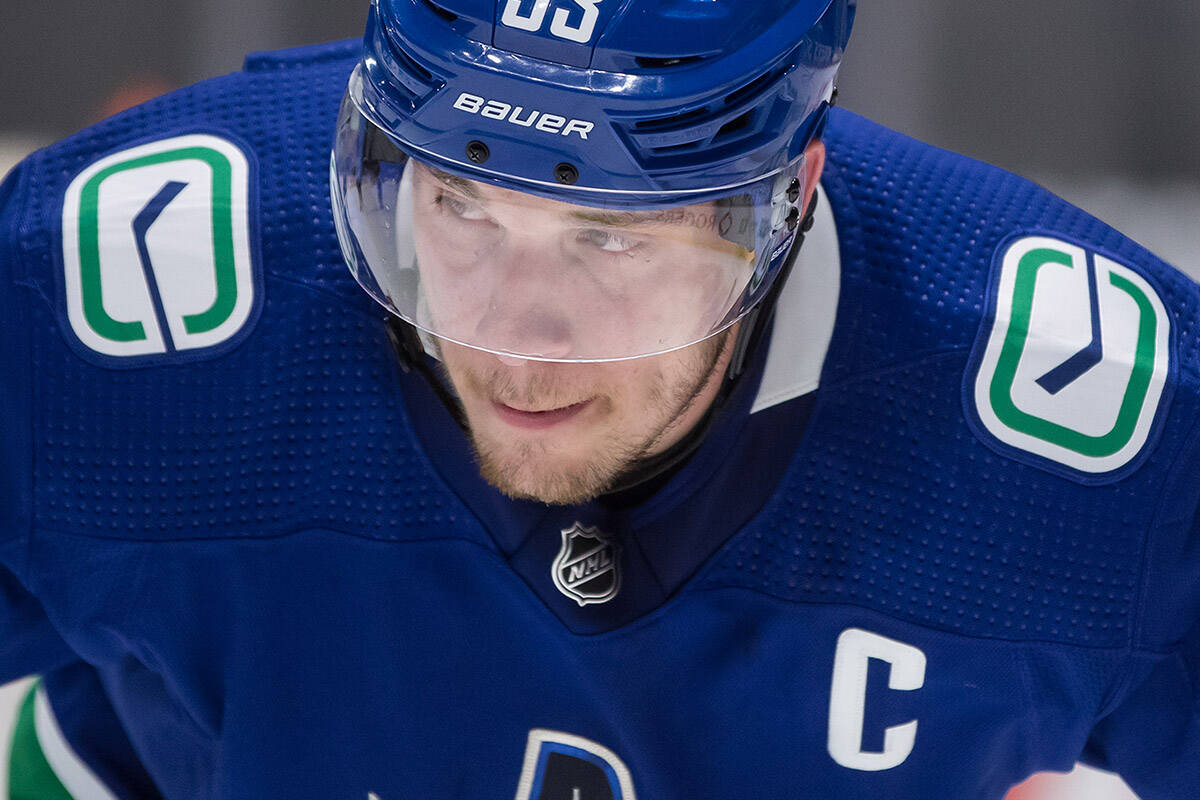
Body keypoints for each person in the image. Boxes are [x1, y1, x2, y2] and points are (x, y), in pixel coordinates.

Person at [0, 1, 1196, 798]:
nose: (516, 340)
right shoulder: (110, 287)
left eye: (613, 241)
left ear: (788, 201)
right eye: (461, 209)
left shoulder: (1098, 420)